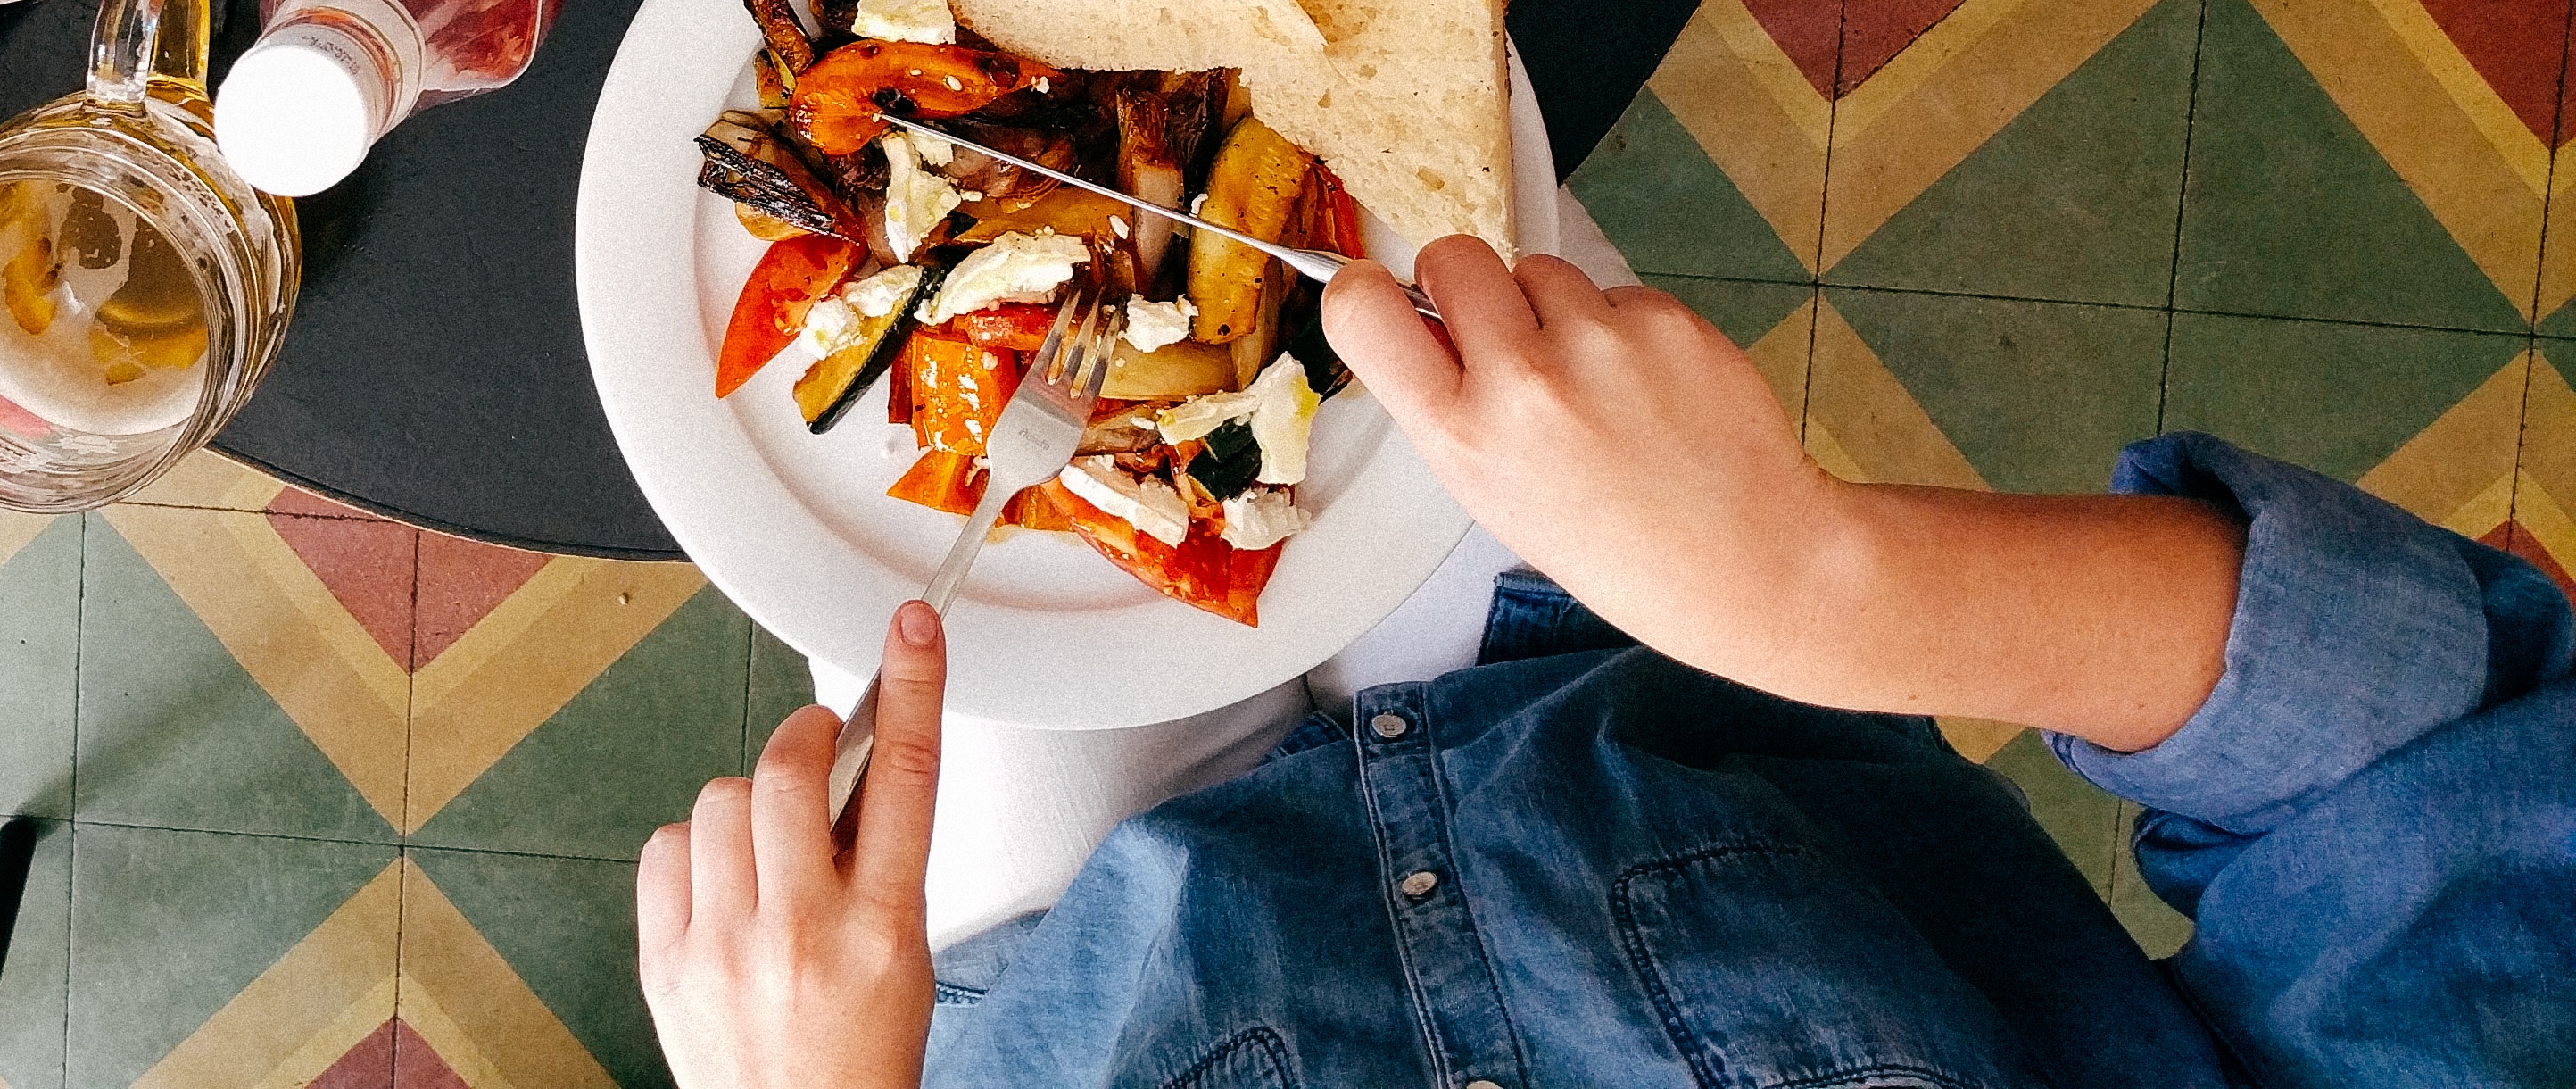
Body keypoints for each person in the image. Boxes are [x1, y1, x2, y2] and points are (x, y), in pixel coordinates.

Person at [637, 242, 2575, 1087]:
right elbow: (2437, 762)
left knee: (875, 442)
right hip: (1642, 665)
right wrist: (1828, 579)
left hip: (1055, 947)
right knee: (1367, 157)